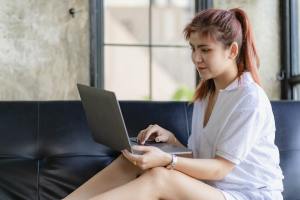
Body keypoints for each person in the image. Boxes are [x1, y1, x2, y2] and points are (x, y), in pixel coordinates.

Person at [64, 8, 283, 200]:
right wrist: (172, 142)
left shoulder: (249, 99)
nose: (196, 58)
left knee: (159, 177)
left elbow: (220, 169)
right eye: (193, 48)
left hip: (248, 195)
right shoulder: (207, 94)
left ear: (232, 51)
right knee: (134, 158)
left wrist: (168, 159)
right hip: (210, 189)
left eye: (205, 50)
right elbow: (202, 160)